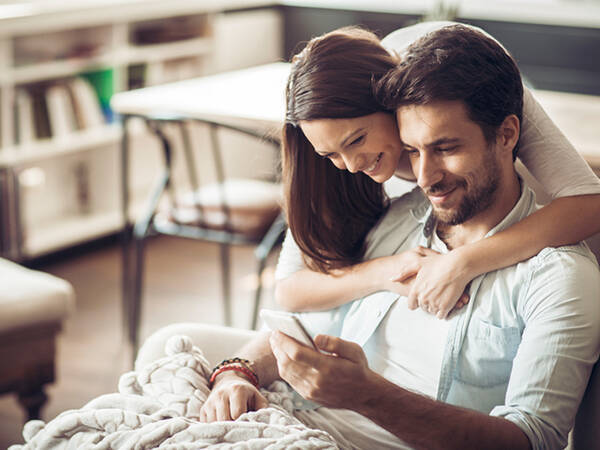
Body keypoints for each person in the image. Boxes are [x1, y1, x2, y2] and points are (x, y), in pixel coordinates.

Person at [199, 25, 600, 450]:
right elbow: (298, 314)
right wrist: (234, 372)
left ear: (506, 135)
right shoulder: (400, 215)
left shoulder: (557, 278)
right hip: (293, 421)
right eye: (411, 151)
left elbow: (533, 440)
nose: (424, 178)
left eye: (445, 147)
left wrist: (366, 393)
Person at [276, 22, 600, 319]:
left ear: (391, 100)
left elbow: (589, 203)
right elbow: (289, 289)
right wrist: (384, 272)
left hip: (523, 231)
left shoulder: (460, 72)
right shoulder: (327, 132)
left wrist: (464, 261)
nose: (351, 165)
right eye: (329, 153)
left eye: (358, 139)